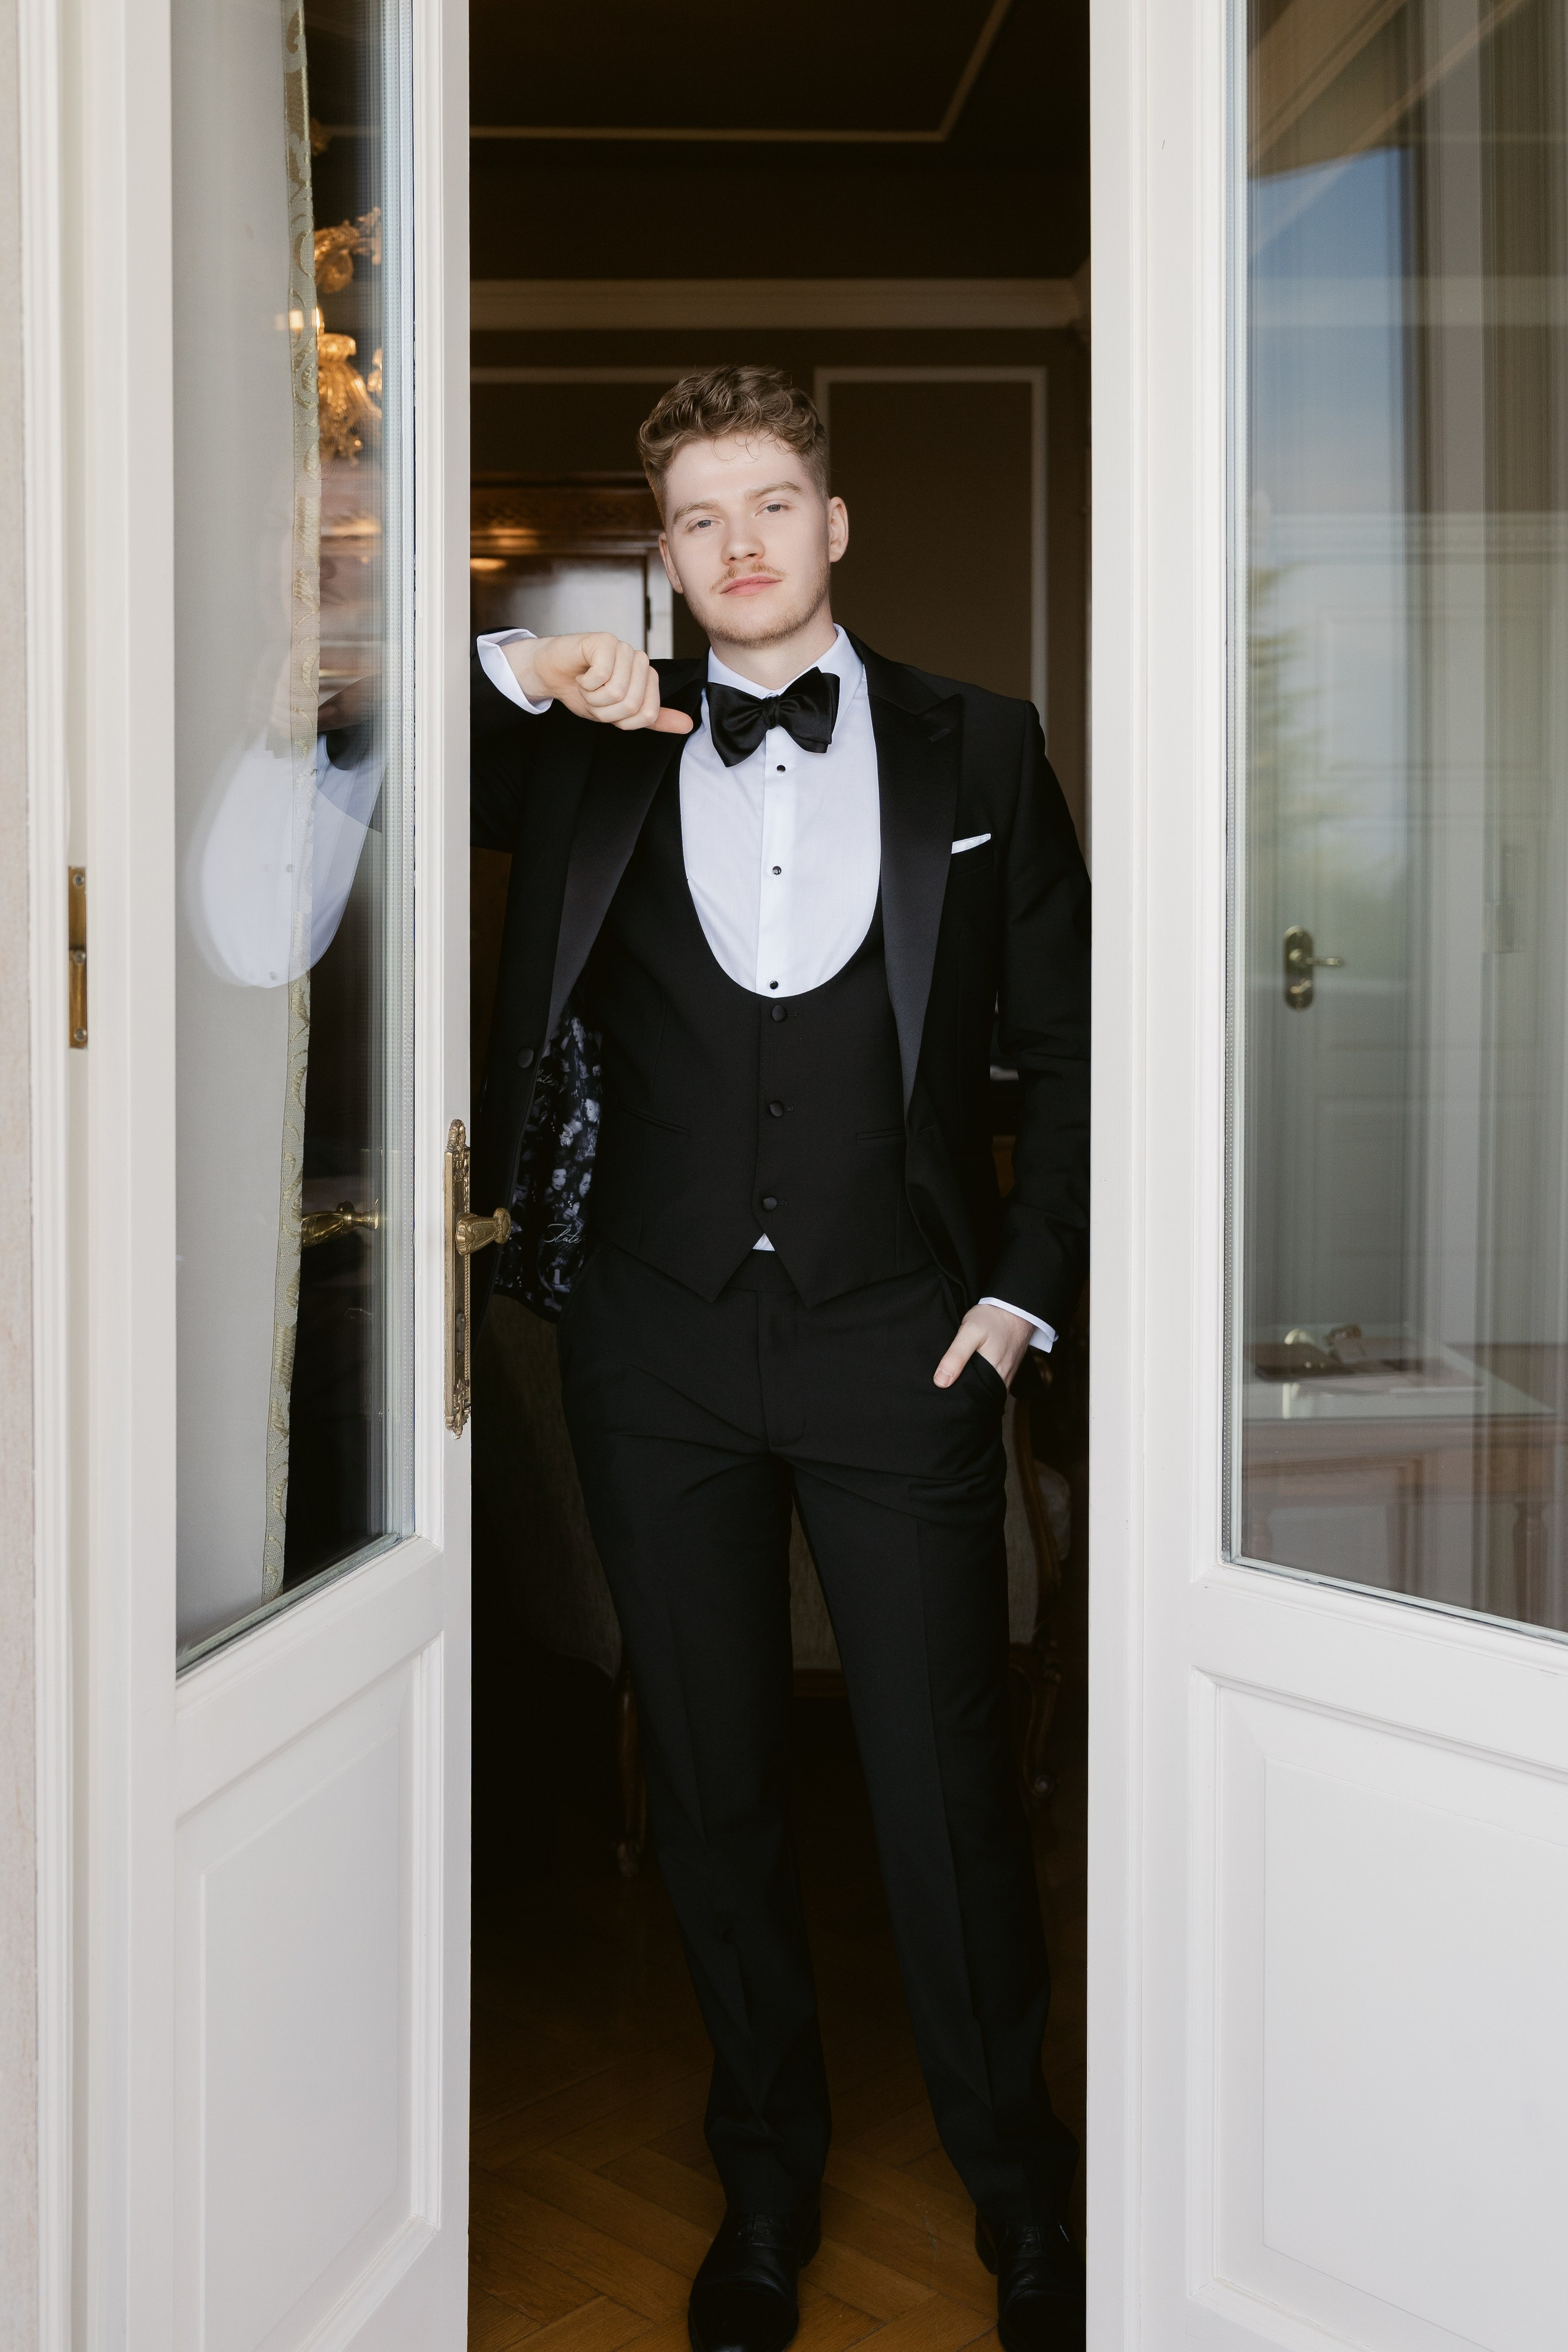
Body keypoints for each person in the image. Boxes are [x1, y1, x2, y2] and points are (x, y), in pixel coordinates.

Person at [470, 365, 1090, 2352]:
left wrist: (1018, 1295)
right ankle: (767, 2185)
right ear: (663, 556)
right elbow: (345, 725)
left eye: (771, 504)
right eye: (695, 520)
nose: (738, 546)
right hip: (654, 1357)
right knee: (722, 1792)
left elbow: (1079, 1044)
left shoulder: (983, 747)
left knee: (944, 1795)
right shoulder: (588, 749)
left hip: (901, 1348)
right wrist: (522, 653)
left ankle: (1021, 2201)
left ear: (836, 523)